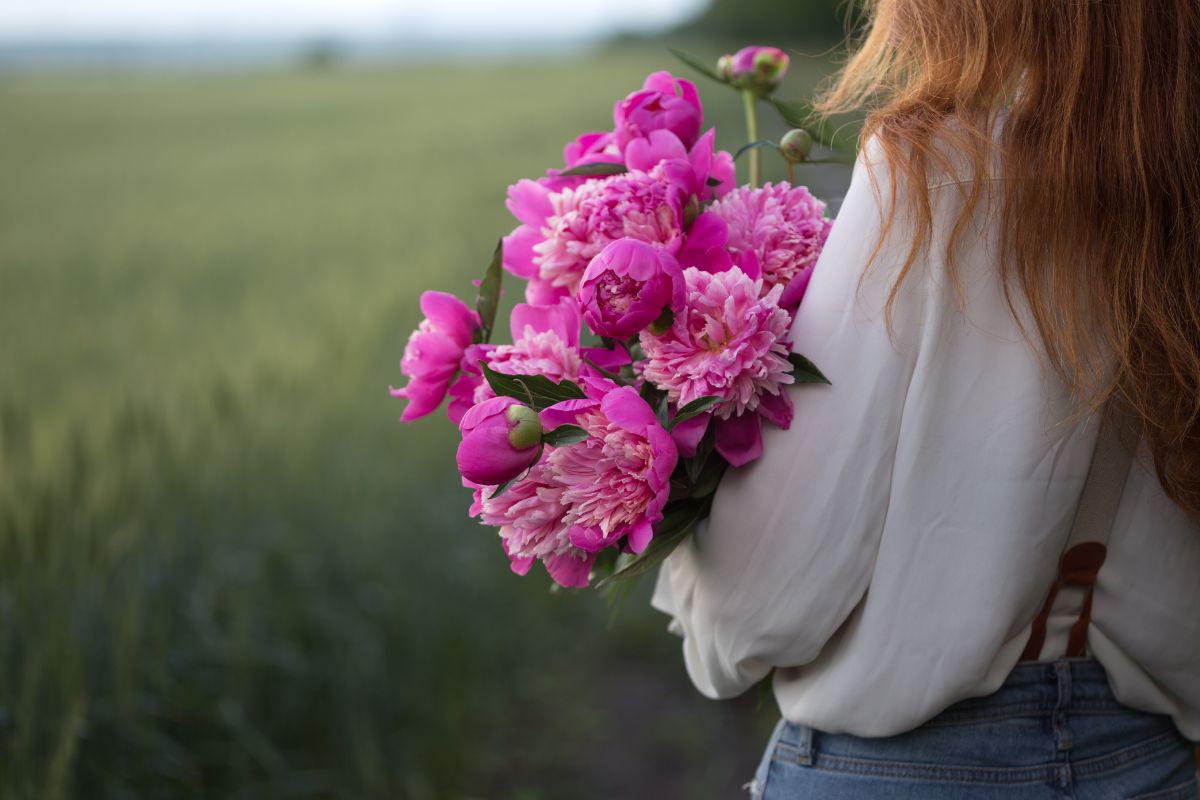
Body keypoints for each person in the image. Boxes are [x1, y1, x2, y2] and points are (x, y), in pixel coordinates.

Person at [650, 1, 1200, 797]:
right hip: (1144, 764)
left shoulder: (936, 171)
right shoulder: (1178, 192)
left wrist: (691, 588)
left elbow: (776, 588)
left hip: (910, 766)